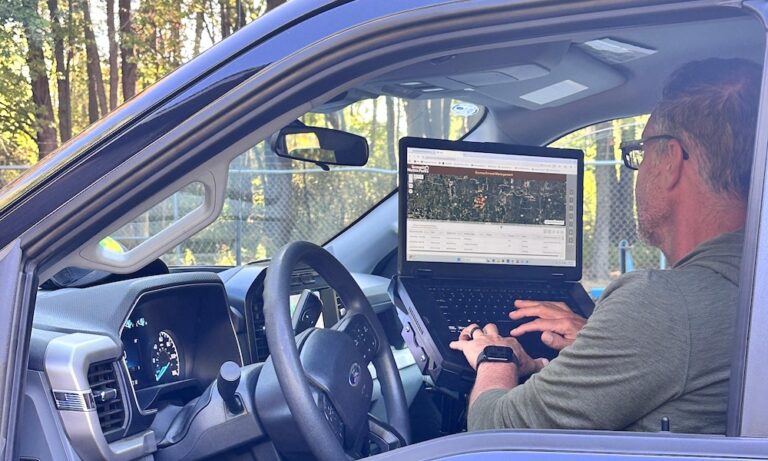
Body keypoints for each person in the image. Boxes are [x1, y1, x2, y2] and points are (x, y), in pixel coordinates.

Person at [449, 57, 761, 434]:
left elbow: (495, 433)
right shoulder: (748, 288)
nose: (641, 168)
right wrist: (592, 349)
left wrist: (494, 357)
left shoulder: (662, 306)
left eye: (641, 152)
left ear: (672, 161)